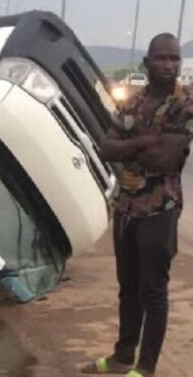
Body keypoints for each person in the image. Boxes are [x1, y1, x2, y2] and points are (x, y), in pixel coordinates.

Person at [82, 33, 191, 377]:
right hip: (128, 208)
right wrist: (144, 140)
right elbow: (105, 148)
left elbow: (163, 158)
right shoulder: (133, 102)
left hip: (160, 209)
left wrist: (130, 144)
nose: (169, 65)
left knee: (152, 290)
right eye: (162, 58)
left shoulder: (185, 105)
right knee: (128, 286)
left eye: (174, 58)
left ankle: (145, 368)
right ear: (147, 63)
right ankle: (122, 356)